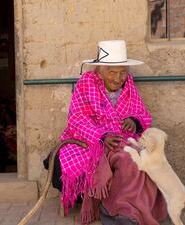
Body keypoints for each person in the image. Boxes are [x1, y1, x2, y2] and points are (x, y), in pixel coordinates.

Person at [52, 40, 167, 225]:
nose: (117, 78)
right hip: (91, 140)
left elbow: (142, 113)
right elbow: (77, 119)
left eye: (122, 72)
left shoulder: (128, 84)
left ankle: (140, 209)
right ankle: (117, 211)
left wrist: (134, 121)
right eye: (112, 72)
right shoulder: (86, 83)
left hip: (122, 137)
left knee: (147, 156)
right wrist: (102, 136)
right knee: (127, 159)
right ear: (100, 71)